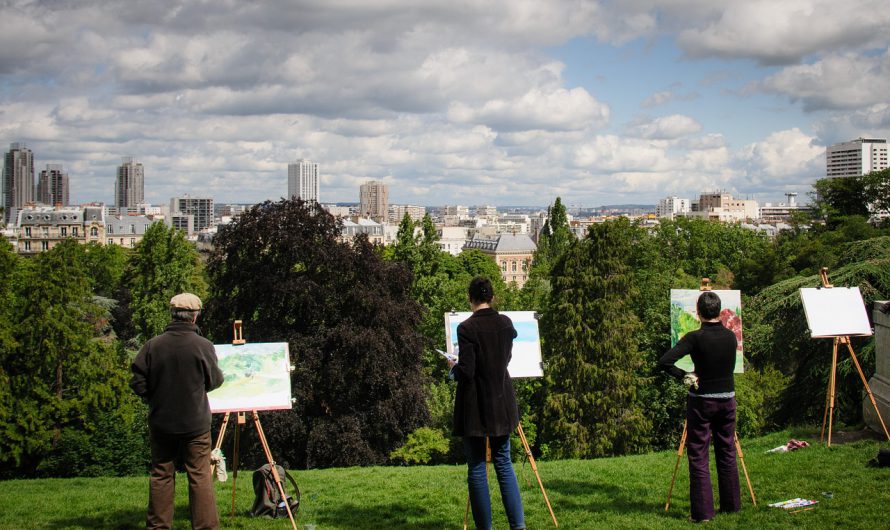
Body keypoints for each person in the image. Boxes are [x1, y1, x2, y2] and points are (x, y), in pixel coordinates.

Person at [130, 293, 225, 530]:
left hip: (162, 421)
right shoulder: (203, 346)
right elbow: (214, 381)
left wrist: (154, 397)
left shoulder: (153, 345)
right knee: (200, 476)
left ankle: (158, 526)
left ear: (173, 315)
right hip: (195, 424)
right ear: (194, 317)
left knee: (161, 475)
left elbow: (137, 381)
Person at [448, 277, 526, 530]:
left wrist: (453, 368)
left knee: (478, 468)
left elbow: (467, 371)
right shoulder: (505, 323)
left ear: (471, 298)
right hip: (502, 402)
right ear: (492, 297)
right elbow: (505, 358)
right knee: (504, 463)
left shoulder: (466, 328)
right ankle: (518, 526)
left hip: (475, 406)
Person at [659, 291, 741, 523]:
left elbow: (664, 361)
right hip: (728, 400)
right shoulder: (731, 336)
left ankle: (703, 513)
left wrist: (685, 376)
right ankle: (732, 506)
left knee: (698, 455)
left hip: (702, 400)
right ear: (719, 310)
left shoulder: (695, 338)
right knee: (727, 451)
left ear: (698, 311)